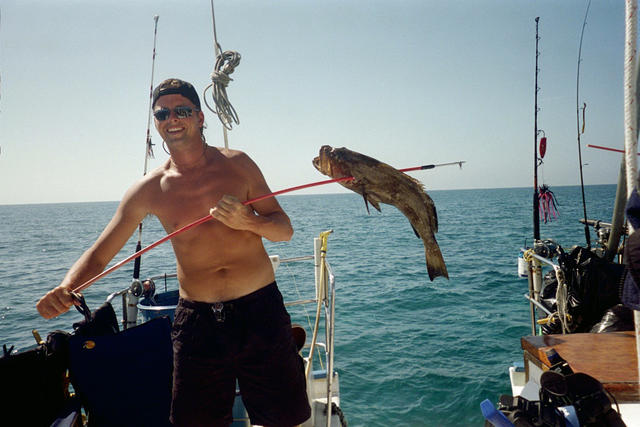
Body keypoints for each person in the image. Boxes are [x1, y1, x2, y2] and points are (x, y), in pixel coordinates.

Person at [36, 78, 311, 427]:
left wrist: (249, 221)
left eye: (181, 110)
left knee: (284, 420)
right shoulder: (148, 189)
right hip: (198, 322)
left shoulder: (239, 165)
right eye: (162, 113)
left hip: (261, 311)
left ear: (199, 116)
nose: (172, 119)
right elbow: (101, 254)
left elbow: (283, 229)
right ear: (156, 123)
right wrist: (68, 286)